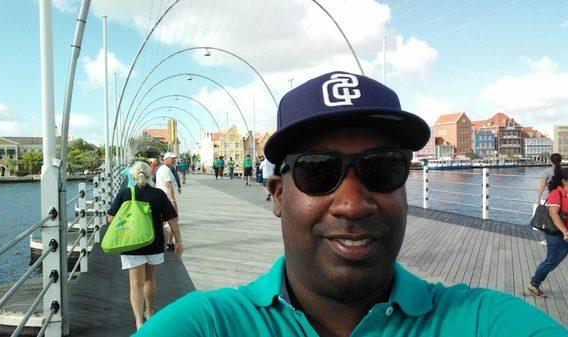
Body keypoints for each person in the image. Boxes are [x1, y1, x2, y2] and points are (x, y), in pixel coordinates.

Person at [136, 71, 565, 336]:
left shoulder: (482, 321)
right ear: (278, 195)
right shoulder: (209, 325)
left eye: (381, 168)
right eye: (318, 171)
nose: (353, 204)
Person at [107, 161, 183, 330]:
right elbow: (172, 219)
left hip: (132, 244)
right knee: (149, 280)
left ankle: (139, 322)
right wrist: (178, 240)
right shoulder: (159, 194)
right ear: (150, 175)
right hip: (154, 242)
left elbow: (111, 218)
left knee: (135, 283)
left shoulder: (125, 193)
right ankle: (150, 313)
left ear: (133, 176)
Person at [528, 167, 568, 297]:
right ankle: (534, 284)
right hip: (557, 233)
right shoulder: (556, 193)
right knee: (552, 260)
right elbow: (553, 214)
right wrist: (565, 232)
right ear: (564, 180)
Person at [155, 152, 180, 250]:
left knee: (162, 221)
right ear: (165, 159)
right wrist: (173, 201)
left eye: (174, 158)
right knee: (174, 220)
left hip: (162, 198)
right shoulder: (166, 170)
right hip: (166, 199)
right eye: (172, 158)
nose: (174, 160)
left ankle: (166, 241)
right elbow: (168, 185)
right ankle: (167, 242)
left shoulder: (162, 169)